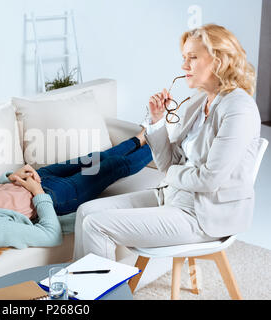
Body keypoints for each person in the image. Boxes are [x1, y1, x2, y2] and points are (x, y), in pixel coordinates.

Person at [75, 24, 261, 261]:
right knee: (86, 212)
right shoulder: (197, 102)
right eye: (184, 58)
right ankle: (75, 295)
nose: (184, 66)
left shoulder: (238, 109)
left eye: (192, 58)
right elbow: (168, 164)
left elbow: (209, 179)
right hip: (174, 196)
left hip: (203, 215)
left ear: (219, 61)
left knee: (96, 226)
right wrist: (157, 121)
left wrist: (173, 174)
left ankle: (96, 297)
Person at [0, 132, 152, 256]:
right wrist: (36, 192)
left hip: (40, 177)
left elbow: (0, 189)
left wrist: (13, 176)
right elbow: (50, 235)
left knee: (95, 158)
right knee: (112, 167)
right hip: (56, 197)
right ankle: (164, 145)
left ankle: (143, 137)